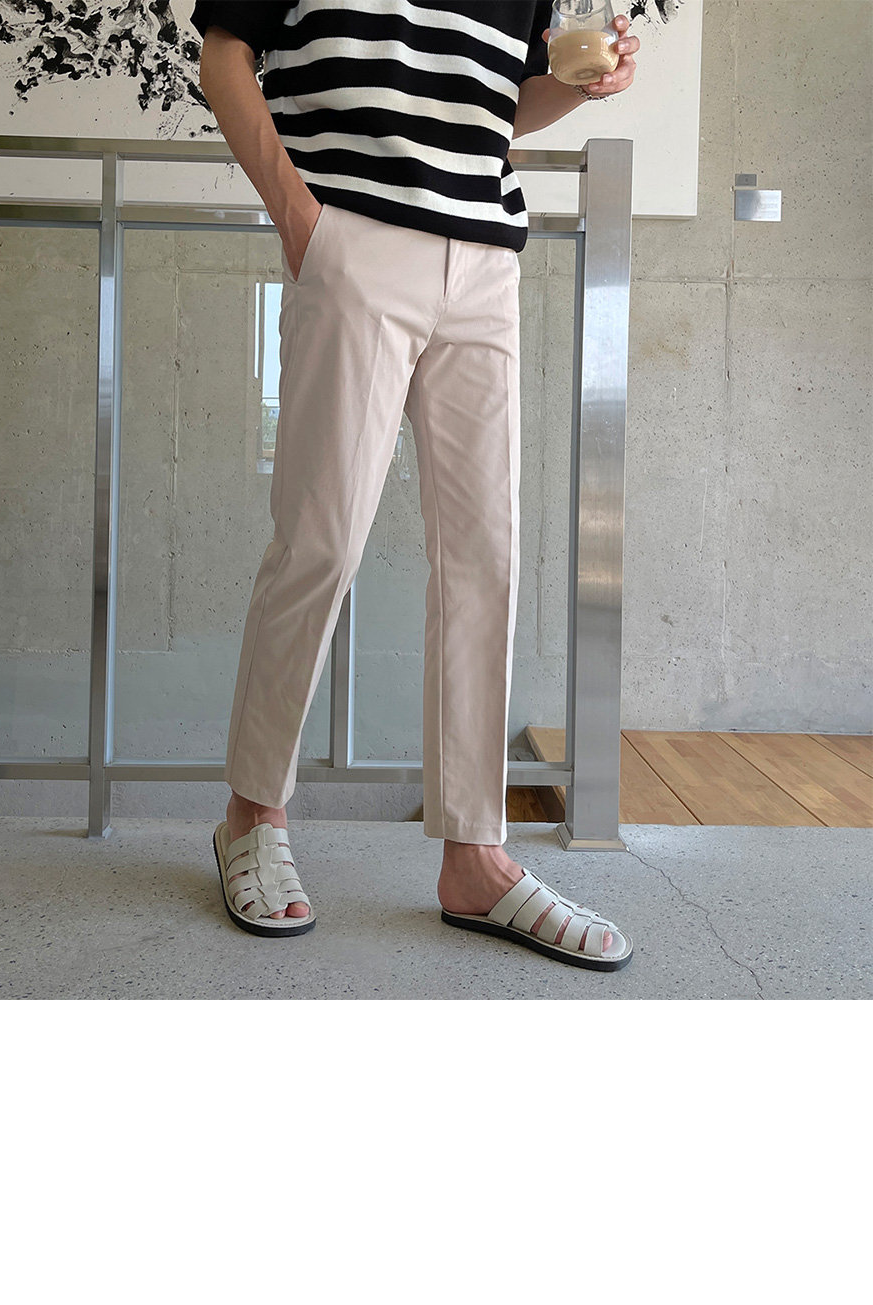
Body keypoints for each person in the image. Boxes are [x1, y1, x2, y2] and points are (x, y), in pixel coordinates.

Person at [194, 0, 640, 971]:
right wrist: (301, 221)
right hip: (351, 238)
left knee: (485, 557)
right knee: (319, 542)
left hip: (483, 257)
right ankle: (251, 815)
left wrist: (580, 85)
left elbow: (502, 102)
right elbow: (224, 54)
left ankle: (475, 856)